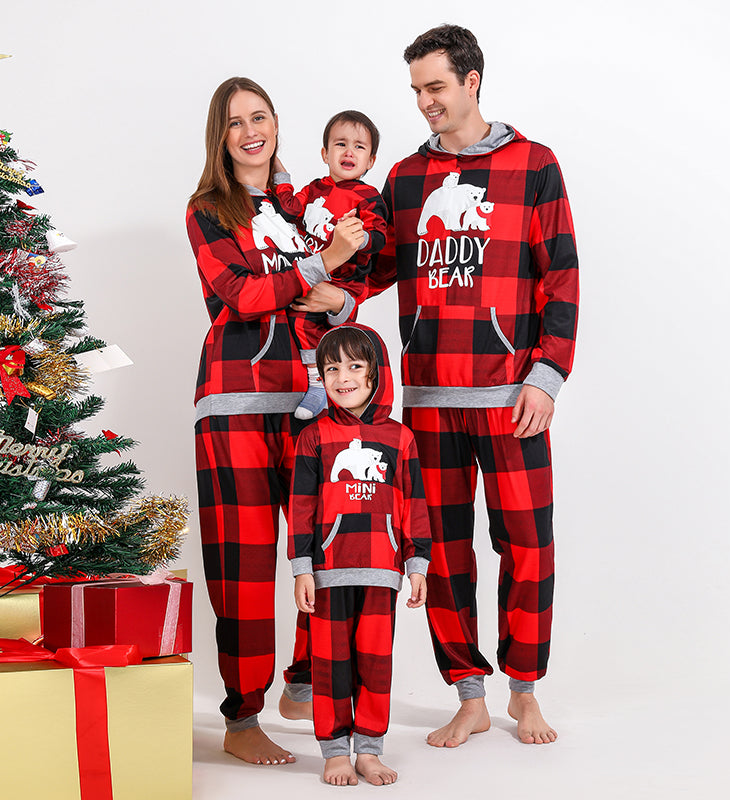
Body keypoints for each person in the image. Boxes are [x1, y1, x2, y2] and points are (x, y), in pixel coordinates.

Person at [367, 25, 579, 748]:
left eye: (436, 86)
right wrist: (320, 272)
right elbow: (373, 272)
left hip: (512, 397)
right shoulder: (403, 178)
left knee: (528, 545)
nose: (426, 102)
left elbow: (562, 278)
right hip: (428, 403)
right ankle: (469, 693)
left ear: (472, 81)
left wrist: (547, 376)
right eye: (417, 90)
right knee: (444, 549)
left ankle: (526, 692)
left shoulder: (535, 165)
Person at [187, 76, 365, 766]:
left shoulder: (304, 204)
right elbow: (237, 293)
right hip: (234, 405)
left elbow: (346, 297)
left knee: (324, 549)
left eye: (259, 117)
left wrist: (329, 291)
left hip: (313, 399)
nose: (250, 131)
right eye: (235, 123)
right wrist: (318, 274)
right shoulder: (208, 208)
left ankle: (300, 678)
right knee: (244, 565)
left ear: (276, 122)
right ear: (221, 137)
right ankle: (241, 717)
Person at [288, 324, 431, 785]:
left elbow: (413, 503)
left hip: (381, 571)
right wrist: (302, 568)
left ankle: (369, 749)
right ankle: (334, 751)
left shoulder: (401, 438)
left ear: (375, 375)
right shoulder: (314, 437)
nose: (343, 376)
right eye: (332, 367)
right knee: (331, 666)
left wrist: (416, 564)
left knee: (374, 663)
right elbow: (302, 506)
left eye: (355, 365)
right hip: (329, 570)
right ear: (321, 377)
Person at [274, 110, 388, 421]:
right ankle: (315, 382)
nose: (349, 151)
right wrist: (279, 174)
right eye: (340, 144)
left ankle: (319, 385)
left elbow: (379, 237)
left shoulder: (368, 197)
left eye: (359, 147)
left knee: (327, 334)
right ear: (325, 153)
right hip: (312, 272)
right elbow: (289, 209)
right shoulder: (314, 189)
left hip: (344, 281)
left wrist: (358, 238)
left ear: (371, 161)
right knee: (297, 323)